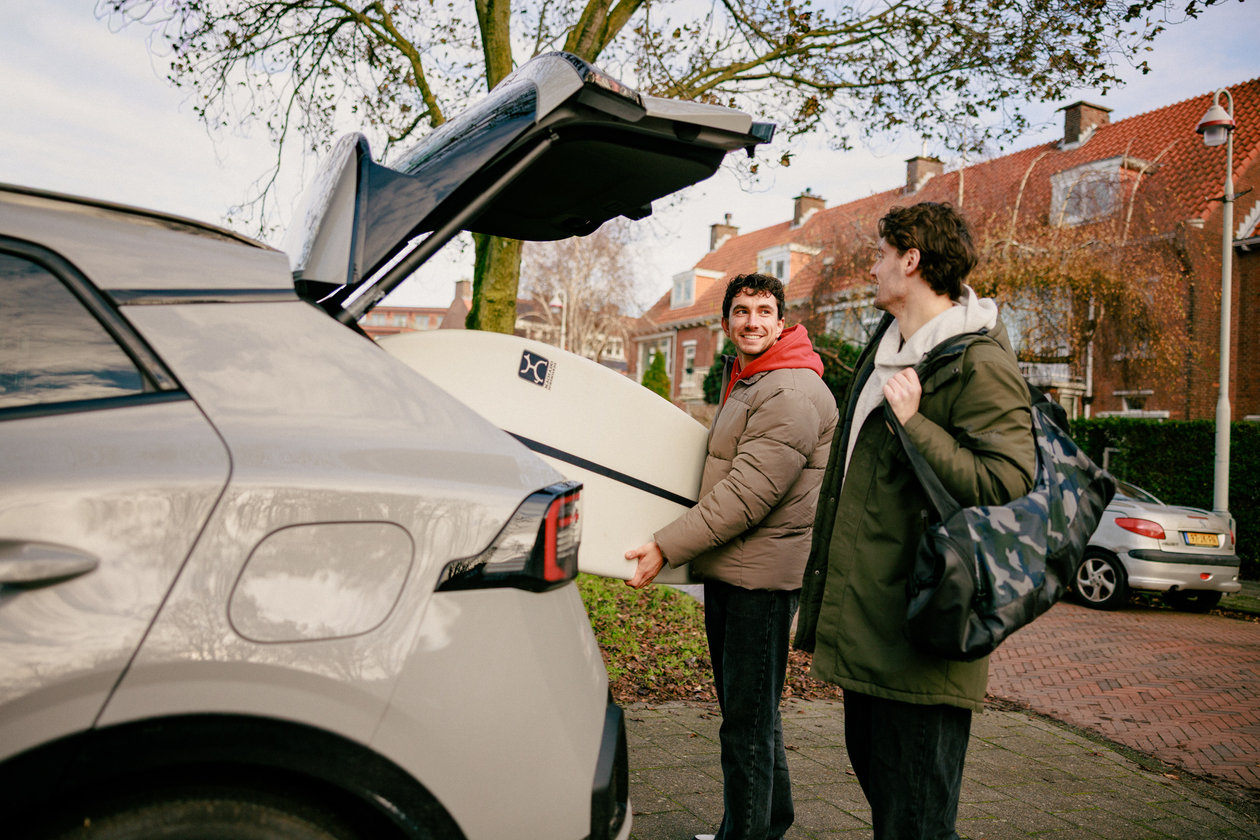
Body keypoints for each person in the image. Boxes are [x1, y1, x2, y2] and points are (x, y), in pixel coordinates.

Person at [794, 202, 1036, 840]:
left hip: (924, 639)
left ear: (912, 259)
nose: (871, 269)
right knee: (891, 811)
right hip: (870, 630)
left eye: (880, 255)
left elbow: (1010, 484)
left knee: (917, 823)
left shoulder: (977, 362)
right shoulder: (888, 347)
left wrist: (916, 426)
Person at [625, 272, 838, 840]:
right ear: (726, 322)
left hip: (758, 583)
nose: (751, 322)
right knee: (755, 720)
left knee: (744, 727)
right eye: (741, 311)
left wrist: (666, 545)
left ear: (782, 321)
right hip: (740, 572)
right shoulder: (754, 380)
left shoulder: (788, 391)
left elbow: (746, 495)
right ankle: (767, 823)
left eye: (764, 311)